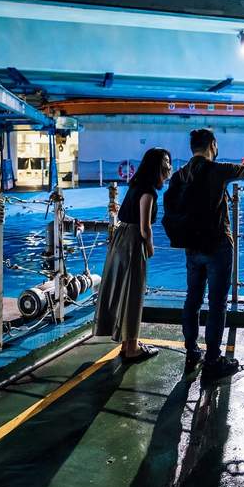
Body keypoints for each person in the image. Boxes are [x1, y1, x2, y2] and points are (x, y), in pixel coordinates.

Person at [170, 128, 244, 382]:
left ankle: (191, 352)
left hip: (191, 246)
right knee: (217, 303)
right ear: (212, 144)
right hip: (218, 245)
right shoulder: (218, 170)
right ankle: (212, 361)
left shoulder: (180, 175)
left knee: (192, 299)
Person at [93, 147, 172, 362]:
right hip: (133, 242)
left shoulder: (135, 186)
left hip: (121, 238)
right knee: (134, 293)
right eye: (165, 162)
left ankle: (128, 343)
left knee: (124, 291)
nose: (168, 166)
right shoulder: (148, 192)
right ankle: (132, 348)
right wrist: (151, 247)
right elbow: (145, 227)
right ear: (156, 166)